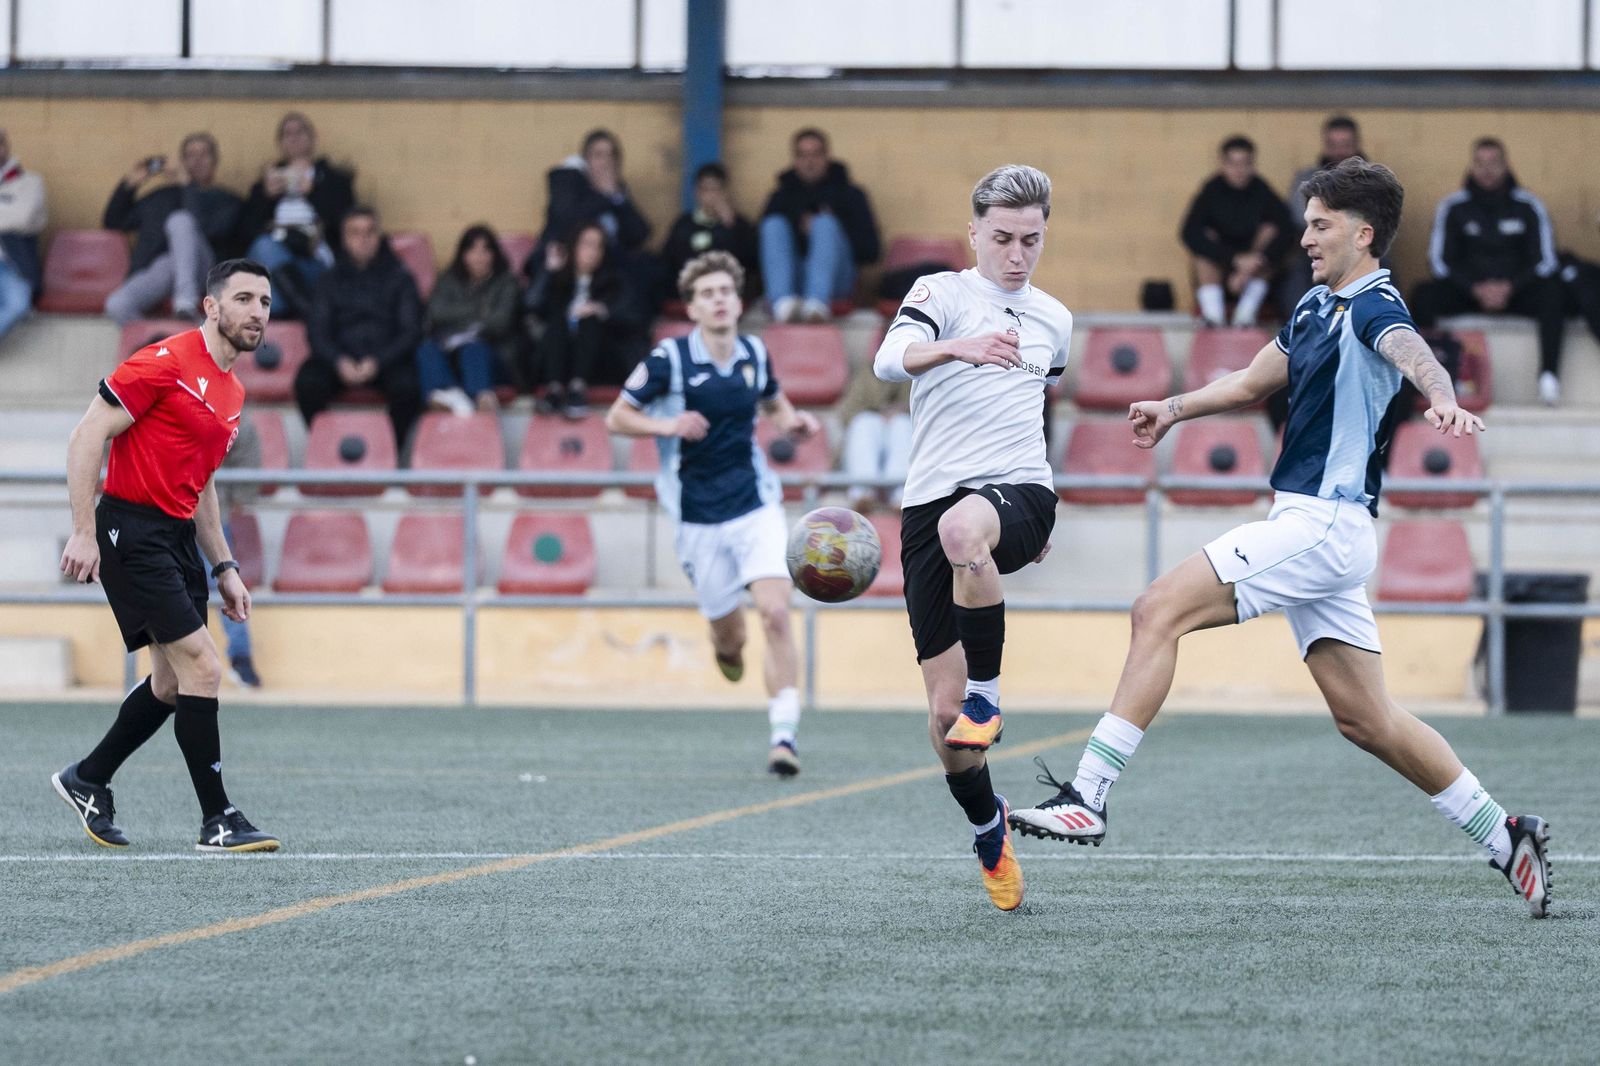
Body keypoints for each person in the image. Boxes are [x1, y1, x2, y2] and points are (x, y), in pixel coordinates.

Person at [1009, 158, 1553, 919]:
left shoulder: (1373, 303)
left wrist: (1442, 398)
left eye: (1320, 224)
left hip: (1321, 524)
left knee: (1157, 609)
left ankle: (1088, 796)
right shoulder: (1314, 307)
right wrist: (1172, 407)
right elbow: (1249, 383)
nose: (1305, 237)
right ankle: (1506, 835)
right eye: (1306, 222)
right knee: (1368, 720)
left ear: (1364, 234)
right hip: (1317, 531)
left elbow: (1412, 351)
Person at [871, 164, 1071, 911]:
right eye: (1003, 239)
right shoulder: (941, 294)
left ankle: (989, 697)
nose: (1017, 255)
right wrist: (958, 347)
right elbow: (888, 360)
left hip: (1015, 492)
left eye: (1032, 240)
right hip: (931, 507)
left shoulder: (1055, 320)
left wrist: (1037, 509)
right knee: (943, 723)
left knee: (967, 530)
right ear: (974, 233)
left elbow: (1034, 404)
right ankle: (989, 832)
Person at [53, 258, 280, 853]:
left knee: (172, 684)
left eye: (264, 301)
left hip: (177, 538)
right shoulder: (165, 362)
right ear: (211, 306)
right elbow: (86, 435)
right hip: (130, 530)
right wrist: (82, 530)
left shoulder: (232, 391)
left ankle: (88, 777)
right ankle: (218, 818)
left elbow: (200, 483)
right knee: (204, 667)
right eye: (245, 299)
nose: (258, 312)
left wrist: (225, 566)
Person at [605, 251, 821, 776]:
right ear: (693, 307)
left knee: (774, 612)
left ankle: (784, 736)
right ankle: (728, 651)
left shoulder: (753, 351)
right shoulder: (669, 360)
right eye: (707, 294)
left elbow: (772, 402)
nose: (719, 300)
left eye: (726, 291)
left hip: (754, 506)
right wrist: (667, 426)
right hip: (697, 517)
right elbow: (617, 417)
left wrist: (793, 423)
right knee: (732, 639)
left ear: (738, 301)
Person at [1411, 138, 1566, 405]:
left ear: (1506, 166)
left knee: (1554, 294)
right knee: (1422, 296)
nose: (1487, 170)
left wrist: (1510, 287)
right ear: (1471, 167)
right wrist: (1475, 288)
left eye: (1494, 163)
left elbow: (1546, 261)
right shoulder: (1454, 207)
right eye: (1480, 163)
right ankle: (1431, 378)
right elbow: (1439, 262)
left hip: (1517, 295)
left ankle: (1548, 378)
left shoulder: (1529, 206)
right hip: (1469, 294)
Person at [294, 207, 424, 447]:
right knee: (308, 382)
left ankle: (389, 451)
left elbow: (411, 331)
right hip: (339, 360)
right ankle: (327, 446)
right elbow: (317, 331)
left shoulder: (400, 278)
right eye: (355, 233)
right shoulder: (328, 279)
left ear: (379, 237)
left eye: (369, 232)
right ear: (344, 238)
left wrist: (378, 361)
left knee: (409, 387)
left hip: (386, 360)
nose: (363, 239)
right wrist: (338, 361)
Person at [103, 133, 243, 325]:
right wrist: (129, 185)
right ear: (182, 161)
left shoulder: (227, 201)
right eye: (191, 156)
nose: (197, 161)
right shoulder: (162, 196)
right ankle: (160, 349)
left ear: (215, 161)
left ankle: (185, 305)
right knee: (116, 304)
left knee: (180, 221)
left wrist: (187, 185)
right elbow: (113, 222)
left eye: (204, 155)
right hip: (162, 270)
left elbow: (206, 229)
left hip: (205, 273)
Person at [240, 112, 356, 318]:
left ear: (312, 139)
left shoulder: (333, 180)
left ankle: (300, 310)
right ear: (280, 143)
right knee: (264, 248)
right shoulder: (265, 184)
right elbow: (244, 234)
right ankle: (311, 313)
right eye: (287, 134)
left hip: (314, 262)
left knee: (266, 301)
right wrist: (265, 198)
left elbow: (346, 223)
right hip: (271, 263)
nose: (293, 137)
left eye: (300, 132)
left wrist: (314, 193)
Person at [760, 128, 881, 323]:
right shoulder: (780, 197)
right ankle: (783, 304)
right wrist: (800, 233)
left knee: (825, 224)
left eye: (815, 154)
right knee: (773, 224)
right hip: (793, 279)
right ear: (795, 159)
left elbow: (871, 251)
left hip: (837, 280)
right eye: (802, 155)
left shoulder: (851, 195)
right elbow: (761, 252)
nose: (809, 162)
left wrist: (832, 232)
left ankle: (816, 305)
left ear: (827, 157)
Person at [530, 221, 645, 419]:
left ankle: (578, 389)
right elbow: (532, 305)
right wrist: (548, 272)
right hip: (557, 360)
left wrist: (602, 310)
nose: (593, 251)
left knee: (589, 318)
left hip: (600, 361)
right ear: (573, 246)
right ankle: (554, 390)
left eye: (598, 246)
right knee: (559, 318)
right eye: (587, 244)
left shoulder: (614, 281)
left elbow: (636, 317)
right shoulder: (557, 279)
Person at [1180, 135, 1293, 327]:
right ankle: (1213, 318)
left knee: (1269, 232)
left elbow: (1286, 231)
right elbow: (1189, 233)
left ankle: (1245, 317)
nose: (1239, 170)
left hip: (1254, 273)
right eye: (1233, 164)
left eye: (1245, 164)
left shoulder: (1262, 191)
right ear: (1222, 164)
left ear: (1253, 164)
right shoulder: (1211, 191)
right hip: (1221, 268)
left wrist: (1254, 263)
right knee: (1203, 253)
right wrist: (1234, 259)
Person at [419, 224, 519, 415]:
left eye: (485, 250)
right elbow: (436, 313)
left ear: (494, 254)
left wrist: (458, 323)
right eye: (472, 249)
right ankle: (451, 396)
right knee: (426, 349)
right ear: (463, 254)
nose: (479, 256)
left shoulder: (506, 282)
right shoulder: (447, 280)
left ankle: (481, 400)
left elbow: (500, 322)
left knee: (473, 348)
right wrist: (479, 312)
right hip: (450, 354)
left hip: (492, 359)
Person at [1281, 115, 1365, 315]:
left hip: (1360, 254)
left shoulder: (1374, 181)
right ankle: (1303, 336)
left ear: (1356, 145)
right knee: (1294, 280)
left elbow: (1376, 222)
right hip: (1315, 254)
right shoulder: (1306, 179)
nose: (1339, 152)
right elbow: (1299, 218)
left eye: (1345, 144)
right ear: (1325, 146)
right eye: (1333, 144)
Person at [662, 162, 759, 302]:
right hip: (690, 293)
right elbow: (669, 261)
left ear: (725, 192)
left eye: (716, 189)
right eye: (706, 189)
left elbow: (751, 262)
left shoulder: (739, 224)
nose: (711, 195)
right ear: (697, 192)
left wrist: (732, 226)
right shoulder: (684, 224)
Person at [216, 412, 263, 688]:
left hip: (209, 517)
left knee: (226, 584)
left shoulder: (221, 399)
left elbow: (244, 439)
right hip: (157, 514)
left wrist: (239, 497)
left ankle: (241, 658)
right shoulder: (149, 396)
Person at [837, 355, 911, 513]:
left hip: (902, 435)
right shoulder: (866, 373)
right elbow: (847, 413)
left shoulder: (921, 371)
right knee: (864, 422)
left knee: (902, 424)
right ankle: (862, 494)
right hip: (871, 439)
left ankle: (901, 496)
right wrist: (880, 414)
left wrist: (898, 412)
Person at [0, 128, 46, 342]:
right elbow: (12, 218)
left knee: (18, 303)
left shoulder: (30, 182)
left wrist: (11, 217)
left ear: (5, 147)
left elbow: (24, 218)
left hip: (12, 266)